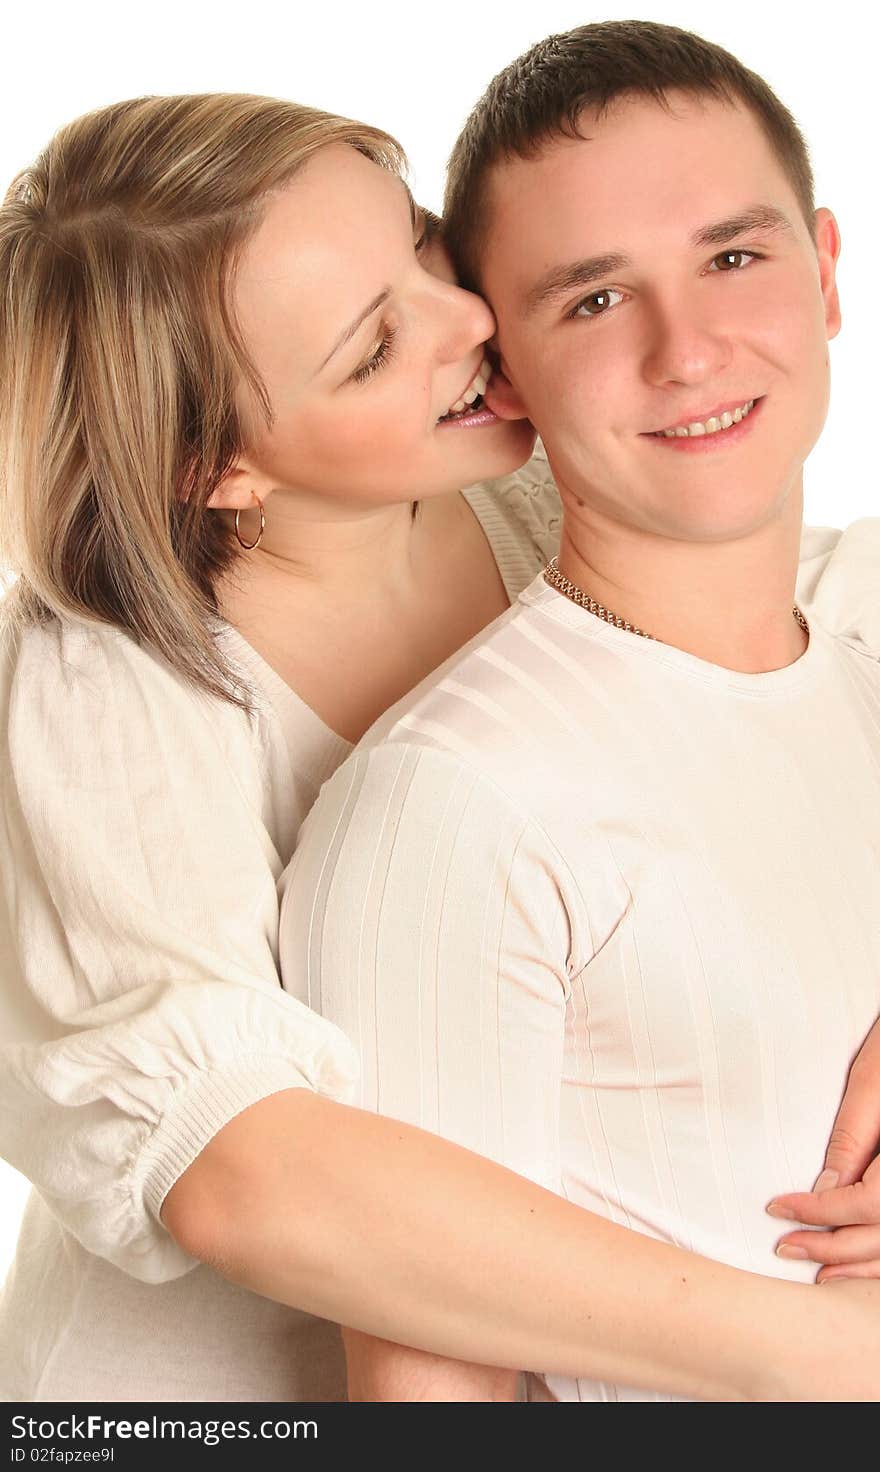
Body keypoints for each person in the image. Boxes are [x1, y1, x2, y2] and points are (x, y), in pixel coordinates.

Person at [0, 88, 877, 1407]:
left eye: (420, 249)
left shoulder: (513, 495)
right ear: (214, 466)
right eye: (370, 348)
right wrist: (812, 1353)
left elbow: (793, 666)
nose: (475, 318)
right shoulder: (111, 687)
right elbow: (244, 1171)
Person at [278, 20, 880, 1402]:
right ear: (502, 374)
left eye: (735, 257)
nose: (688, 350)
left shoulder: (858, 681)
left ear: (829, 272)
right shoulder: (457, 799)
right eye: (594, 301)